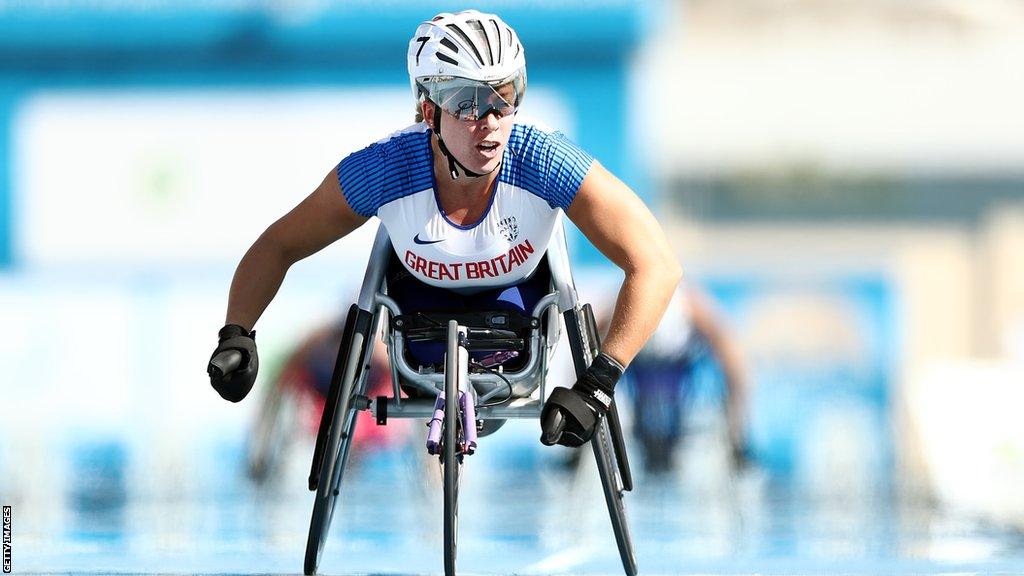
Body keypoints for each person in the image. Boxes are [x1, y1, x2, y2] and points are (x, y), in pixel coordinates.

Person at [206, 10, 681, 450]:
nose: (491, 122)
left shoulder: (543, 160)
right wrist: (237, 334)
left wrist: (598, 384)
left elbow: (656, 264)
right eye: (469, 103)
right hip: (419, 330)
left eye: (506, 96)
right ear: (430, 111)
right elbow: (279, 244)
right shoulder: (385, 170)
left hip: (517, 328)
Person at [612, 282, 752, 474]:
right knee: (645, 429)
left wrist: (736, 431)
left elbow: (733, 362)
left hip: (673, 367)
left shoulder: (694, 308)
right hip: (640, 365)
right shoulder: (620, 305)